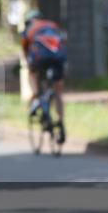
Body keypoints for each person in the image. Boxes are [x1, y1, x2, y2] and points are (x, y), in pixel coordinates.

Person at [20, 9, 66, 144]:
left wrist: (27, 64)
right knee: (58, 92)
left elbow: (25, 52)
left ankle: (35, 97)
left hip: (40, 59)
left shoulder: (28, 30)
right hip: (58, 58)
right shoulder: (52, 25)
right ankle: (61, 123)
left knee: (31, 71)